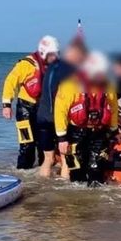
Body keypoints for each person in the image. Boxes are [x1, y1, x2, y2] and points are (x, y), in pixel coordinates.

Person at [54, 51, 119, 186]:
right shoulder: (70, 85)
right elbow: (60, 111)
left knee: (96, 169)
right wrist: (62, 138)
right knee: (77, 172)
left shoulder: (107, 85)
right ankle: (79, 203)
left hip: (99, 133)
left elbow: (113, 108)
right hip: (76, 132)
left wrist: (114, 131)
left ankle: (95, 201)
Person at [2, 36, 60, 169]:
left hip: (43, 109)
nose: (55, 57)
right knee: (27, 144)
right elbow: (10, 83)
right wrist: (7, 105)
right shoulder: (26, 64)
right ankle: (23, 171)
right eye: (52, 54)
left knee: (44, 145)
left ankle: (42, 174)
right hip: (25, 109)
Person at [36, 38, 88, 178]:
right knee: (66, 160)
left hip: (42, 118)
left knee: (48, 159)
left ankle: (43, 187)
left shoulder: (50, 68)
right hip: (59, 120)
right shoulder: (69, 70)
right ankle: (64, 191)